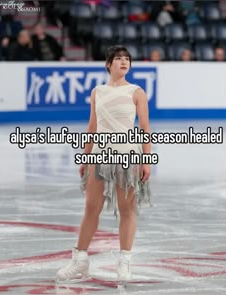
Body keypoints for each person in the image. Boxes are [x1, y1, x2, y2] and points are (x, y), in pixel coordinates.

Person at [56, 45, 152, 283]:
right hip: (99, 155)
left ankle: (125, 261)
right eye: (118, 58)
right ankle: (80, 261)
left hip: (128, 154)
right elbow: (92, 127)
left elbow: (145, 128)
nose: (124, 61)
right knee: (91, 207)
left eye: (127, 58)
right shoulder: (97, 91)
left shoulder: (137, 91)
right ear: (108, 64)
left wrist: (146, 160)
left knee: (127, 209)